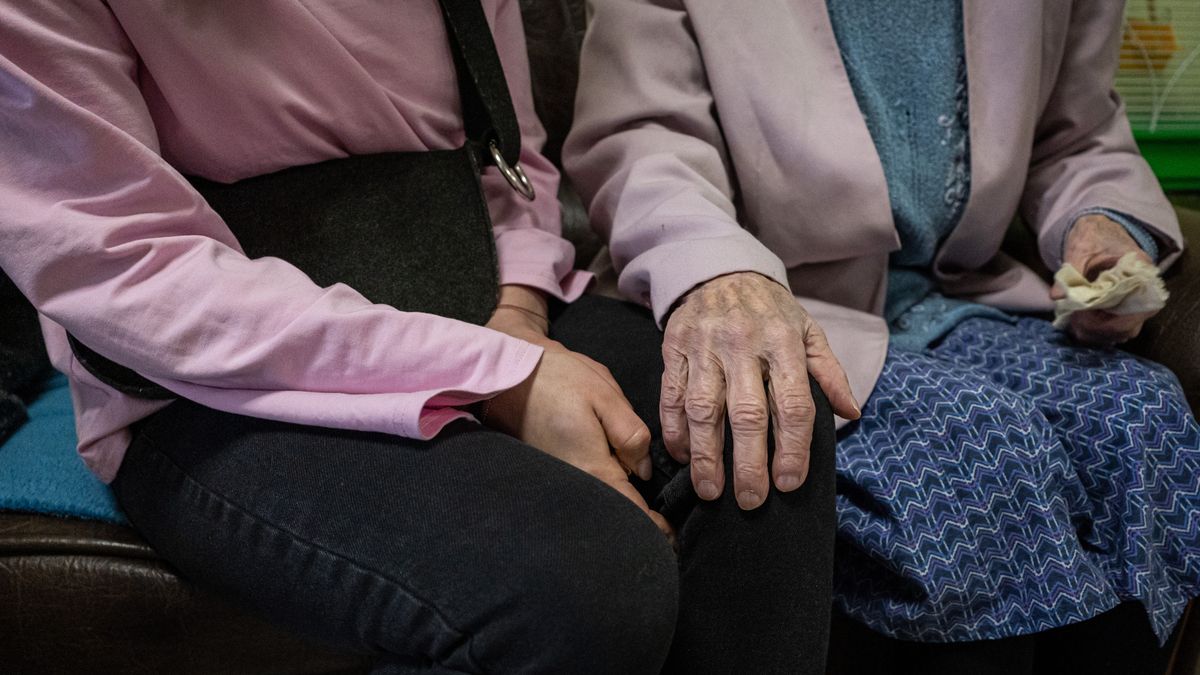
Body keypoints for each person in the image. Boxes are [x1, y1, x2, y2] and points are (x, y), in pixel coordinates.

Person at [0, 1, 838, 673]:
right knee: (581, 583)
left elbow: (508, 162)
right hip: (204, 376)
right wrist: (496, 374)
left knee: (750, 419)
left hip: (468, 293)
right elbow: (127, 275)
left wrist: (517, 316)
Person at [563, 0, 1200, 673]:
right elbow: (643, 137)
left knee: (1140, 416)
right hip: (778, 292)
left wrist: (1101, 220)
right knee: (979, 450)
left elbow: (1075, 133)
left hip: (951, 290)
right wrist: (718, 269)